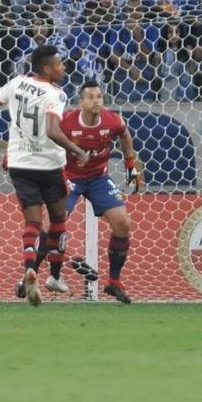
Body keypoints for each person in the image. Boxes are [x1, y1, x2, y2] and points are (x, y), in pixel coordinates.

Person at [0, 45, 87, 306]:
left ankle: (30, 268)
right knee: (58, 221)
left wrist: (16, 123)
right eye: (59, 64)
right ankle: (53, 275)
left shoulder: (17, 83)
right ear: (46, 68)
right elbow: (52, 130)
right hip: (49, 164)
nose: (63, 68)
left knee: (32, 222)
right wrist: (77, 150)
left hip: (20, 163)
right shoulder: (55, 94)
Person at [60, 81, 142, 304]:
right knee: (57, 223)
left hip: (98, 178)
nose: (96, 100)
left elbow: (125, 136)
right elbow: (49, 139)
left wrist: (130, 166)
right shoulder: (66, 121)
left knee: (123, 224)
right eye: (90, 97)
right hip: (69, 176)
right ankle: (66, 261)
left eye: (99, 96)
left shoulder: (112, 120)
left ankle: (113, 282)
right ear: (81, 102)